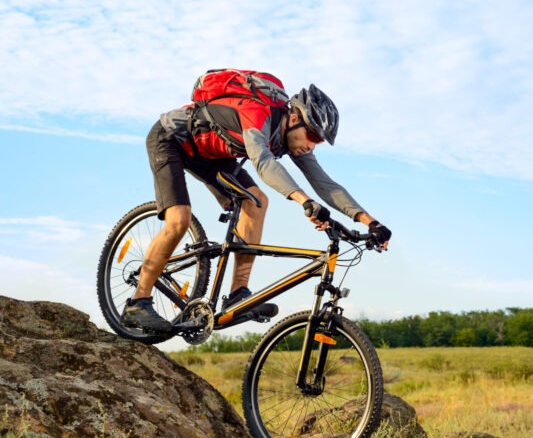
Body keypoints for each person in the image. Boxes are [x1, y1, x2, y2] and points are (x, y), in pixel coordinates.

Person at [121, 79, 392, 332]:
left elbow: (324, 183)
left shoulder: (294, 139)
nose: (312, 145)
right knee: (179, 219)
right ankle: (138, 301)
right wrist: (304, 202)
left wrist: (370, 222)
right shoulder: (257, 113)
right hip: (172, 140)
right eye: (312, 136)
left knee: (257, 203)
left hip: (212, 154)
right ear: (295, 118)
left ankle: (238, 296)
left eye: (319, 141)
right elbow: (263, 162)